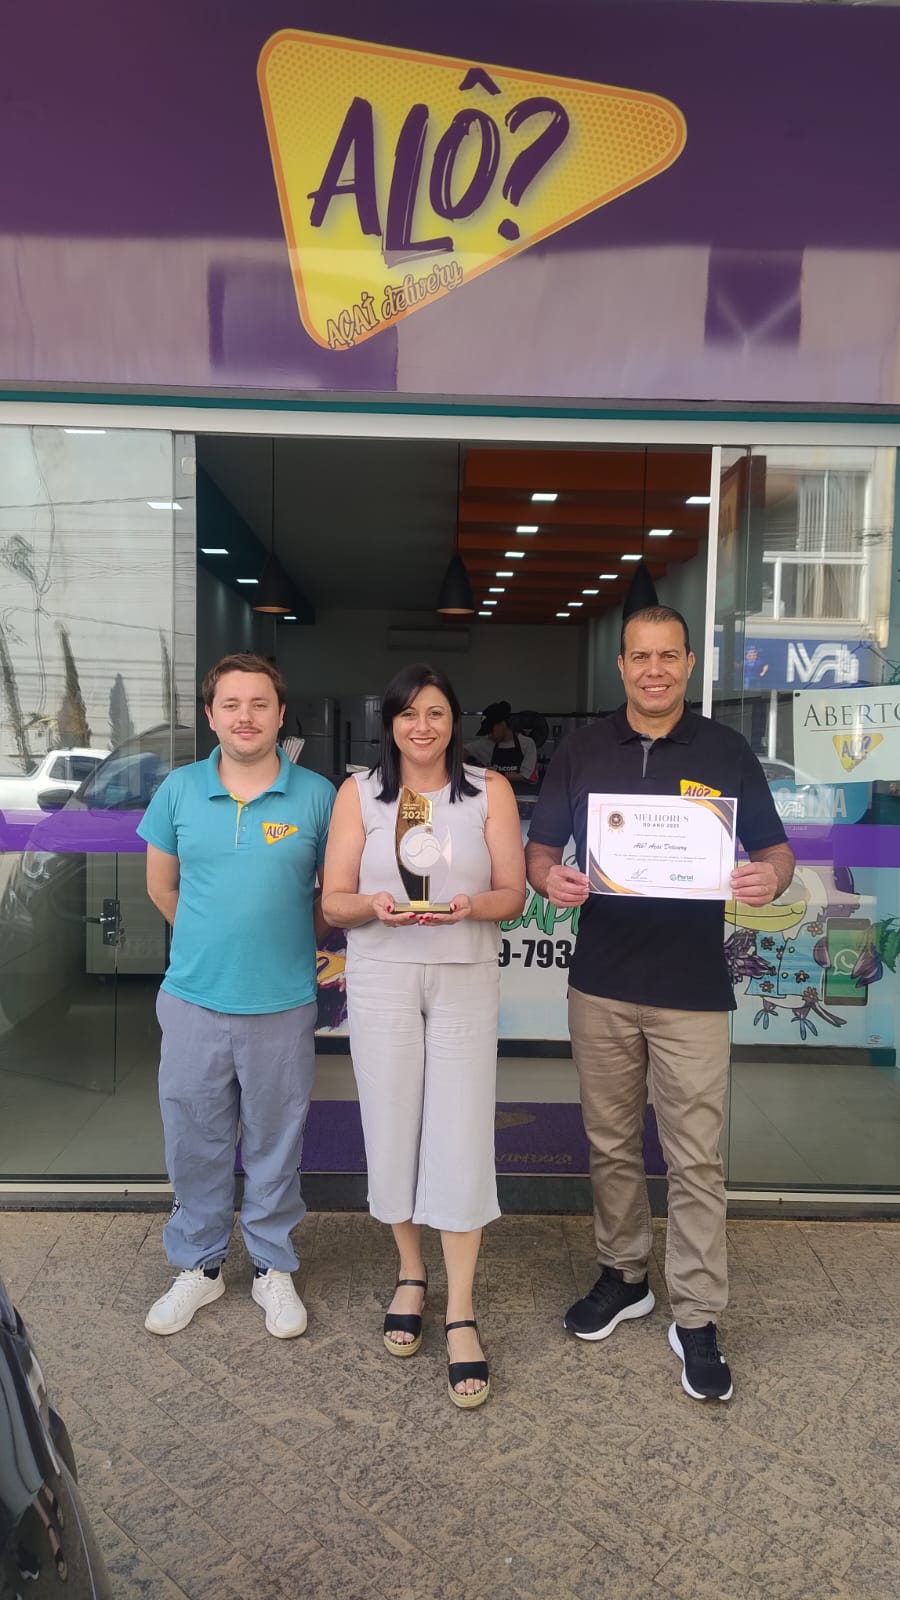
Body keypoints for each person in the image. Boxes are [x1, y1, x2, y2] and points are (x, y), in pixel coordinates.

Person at [525, 603, 794, 1402]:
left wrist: (769, 877)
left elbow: (775, 850)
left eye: (668, 656)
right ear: (621, 665)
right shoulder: (581, 750)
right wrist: (549, 877)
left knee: (695, 1158)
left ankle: (698, 1315)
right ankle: (624, 1275)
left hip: (692, 992)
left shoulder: (726, 750)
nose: (654, 670)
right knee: (610, 1144)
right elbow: (541, 848)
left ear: (687, 664)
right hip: (601, 983)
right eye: (640, 657)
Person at [322, 664, 525, 1408]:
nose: (422, 726)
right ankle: (411, 1271)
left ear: (454, 721)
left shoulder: (488, 791)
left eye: (436, 713)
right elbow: (334, 901)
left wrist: (470, 906)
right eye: (409, 713)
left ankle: (461, 1308)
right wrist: (374, 905)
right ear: (391, 723)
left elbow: (513, 894)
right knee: (392, 1125)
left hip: (464, 973)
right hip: (382, 975)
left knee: (461, 1132)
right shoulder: (360, 794)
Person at [138, 653, 335, 1339]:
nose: (245, 716)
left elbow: (330, 897)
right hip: (193, 998)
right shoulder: (179, 791)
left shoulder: (318, 796)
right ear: (211, 715)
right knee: (194, 1137)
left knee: (277, 1139)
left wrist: (279, 943)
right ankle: (200, 1264)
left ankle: (272, 1264)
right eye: (231, 704)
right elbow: (161, 886)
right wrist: (210, 940)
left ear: (280, 715)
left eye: (259, 703)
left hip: (282, 1002)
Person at [466, 701, 538, 783]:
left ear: (502, 724)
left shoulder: (527, 743)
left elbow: (524, 776)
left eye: (491, 731)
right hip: (496, 790)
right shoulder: (487, 743)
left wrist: (494, 773)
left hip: (520, 791)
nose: (490, 735)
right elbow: (462, 750)